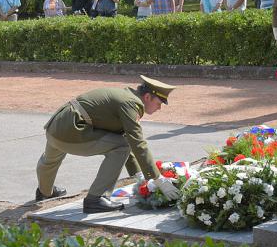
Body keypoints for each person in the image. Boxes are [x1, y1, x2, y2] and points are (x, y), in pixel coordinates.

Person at [35, 75, 180, 213]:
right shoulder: (132, 104)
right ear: (147, 97)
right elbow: (136, 142)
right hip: (72, 130)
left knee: (50, 161)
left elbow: (125, 137)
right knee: (121, 146)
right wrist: (157, 178)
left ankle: (44, 192)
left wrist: (139, 176)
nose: (159, 108)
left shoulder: (125, 95)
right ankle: (96, 199)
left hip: (57, 125)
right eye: (159, 103)